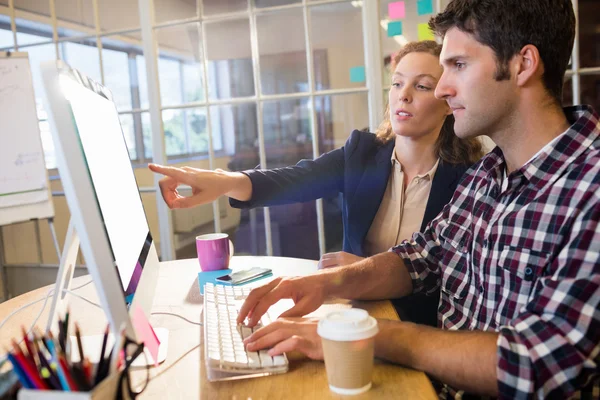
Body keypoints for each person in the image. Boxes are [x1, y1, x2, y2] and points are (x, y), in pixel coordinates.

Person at [234, 0, 600, 398]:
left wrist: (370, 334)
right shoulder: (487, 175)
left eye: (458, 65)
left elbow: (538, 364)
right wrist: (326, 283)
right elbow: (422, 257)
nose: (443, 88)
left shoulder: (590, 188)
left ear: (522, 64)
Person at [149, 41, 484, 327]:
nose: (403, 96)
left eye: (422, 86)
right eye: (397, 84)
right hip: (354, 314)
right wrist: (221, 182)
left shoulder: (469, 176)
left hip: (421, 327)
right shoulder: (362, 152)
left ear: (447, 103)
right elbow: (293, 180)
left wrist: (364, 270)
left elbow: (459, 277)